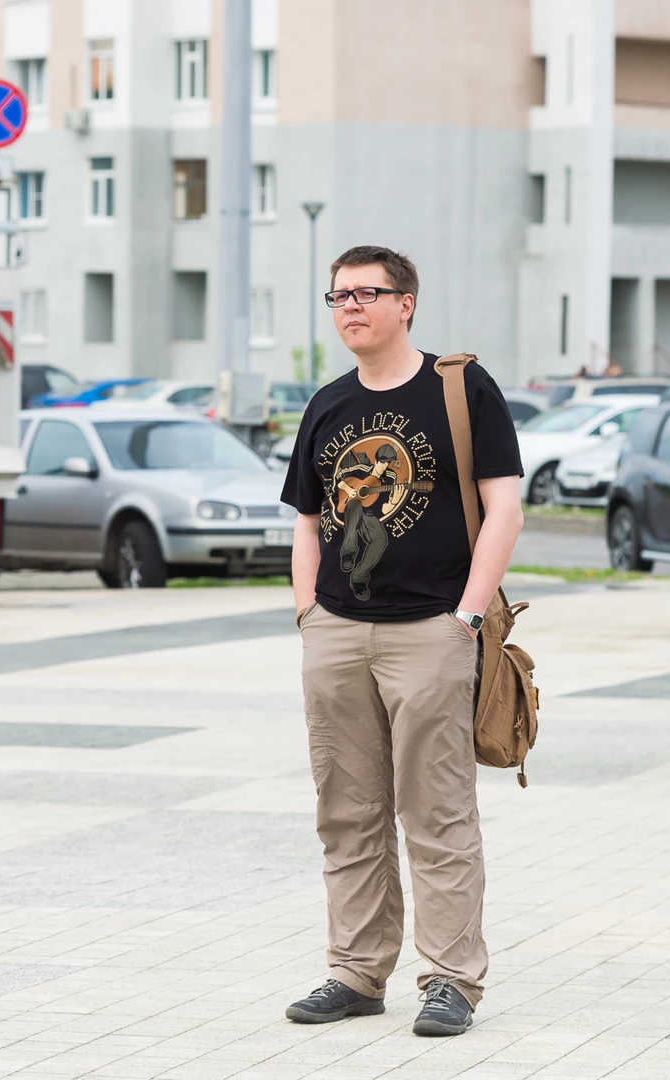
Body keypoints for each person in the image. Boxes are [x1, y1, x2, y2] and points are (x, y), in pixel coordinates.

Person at [280, 246, 524, 1037]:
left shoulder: (462, 389)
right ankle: (355, 972)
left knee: (436, 810)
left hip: (430, 629)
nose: (349, 307)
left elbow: (504, 509)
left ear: (405, 303)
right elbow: (308, 521)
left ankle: (451, 979)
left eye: (365, 293)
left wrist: (466, 617)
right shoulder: (327, 404)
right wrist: (308, 614)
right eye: (338, 296)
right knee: (345, 811)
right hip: (336, 631)